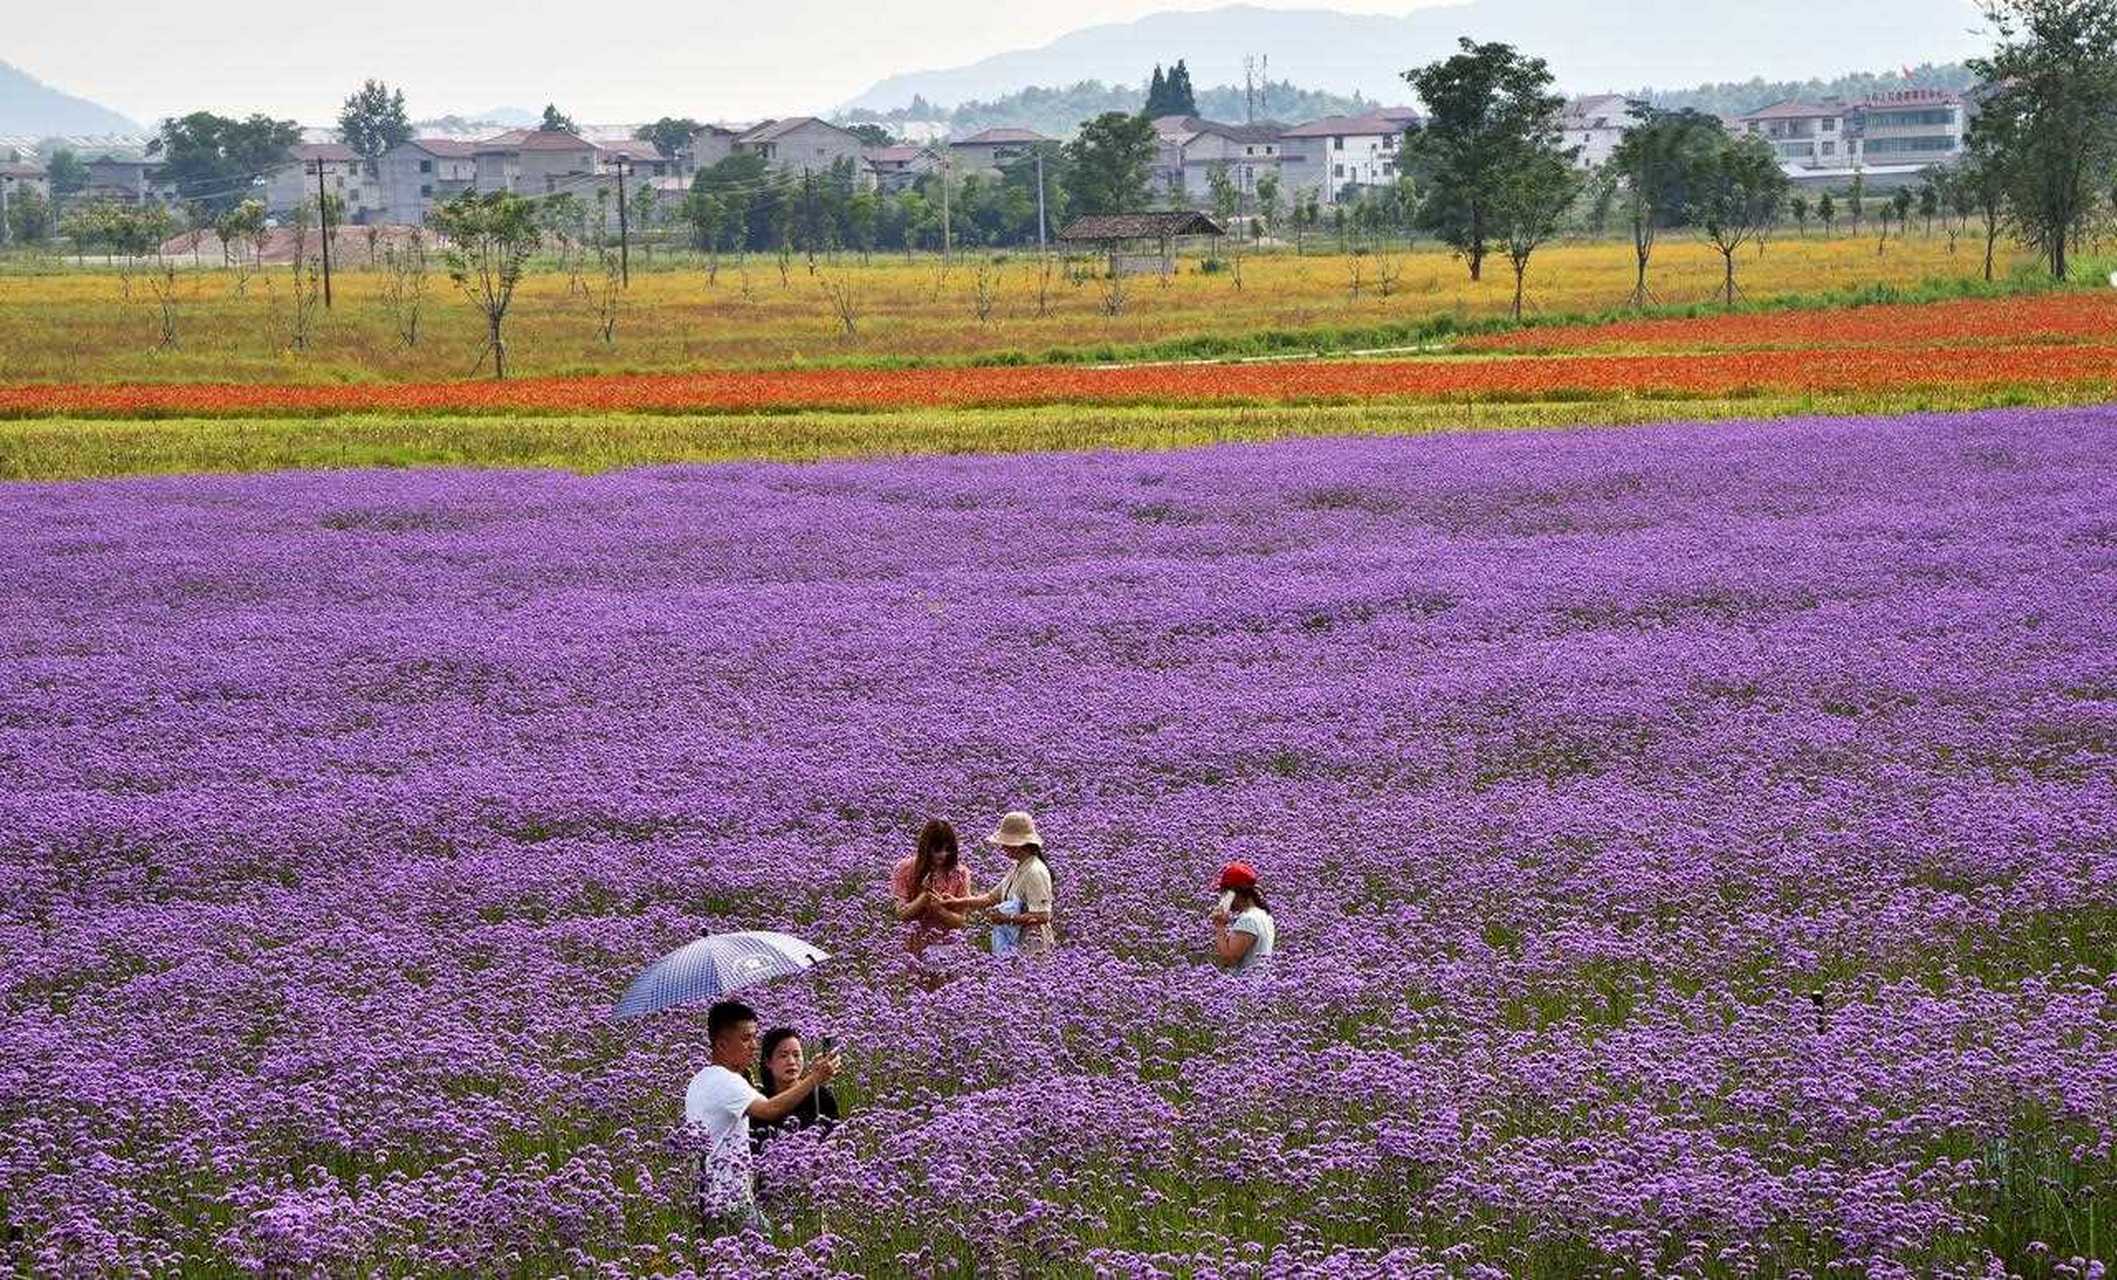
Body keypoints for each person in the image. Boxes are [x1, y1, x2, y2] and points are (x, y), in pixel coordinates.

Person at [684, 999, 838, 1236]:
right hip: (731, 1201)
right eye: (746, 1038)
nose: (754, 1046)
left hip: (705, 1198)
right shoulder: (728, 1082)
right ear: (722, 1045)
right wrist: (814, 1078)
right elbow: (769, 1110)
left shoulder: (700, 1080)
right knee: (775, 1251)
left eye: (755, 1037)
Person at [748, 1026, 841, 1202]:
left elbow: (833, 1144)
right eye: (783, 1056)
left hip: (814, 1191)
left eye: (797, 1055)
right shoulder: (759, 1101)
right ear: (768, 1062)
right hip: (770, 1194)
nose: (792, 1061)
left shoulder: (821, 1096)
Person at [944, 810, 1056, 955]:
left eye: (1006, 843)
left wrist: (1006, 919)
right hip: (1014, 942)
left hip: (1032, 947)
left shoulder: (1035, 871)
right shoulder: (1017, 868)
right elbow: (990, 898)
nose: (1002, 847)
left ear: (1020, 844)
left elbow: (1042, 916)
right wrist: (957, 902)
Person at [890, 819, 971, 951]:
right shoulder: (905, 869)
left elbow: (960, 921)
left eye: (948, 850)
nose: (943, 854)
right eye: (938, 849)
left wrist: (940, 910)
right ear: (926, 847)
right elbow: (901, 914)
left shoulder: (960, 874)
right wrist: (924, 897)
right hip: (913, 946)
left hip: (947, 947)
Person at [1210, 861, 1276, 973]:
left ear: (1234, 893)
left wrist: (1220, 926)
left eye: (1224, 893)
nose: (1222, 898)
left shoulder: (1248, 920)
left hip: (1248, 985)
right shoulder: (1264, 916)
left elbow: (1229, 959)